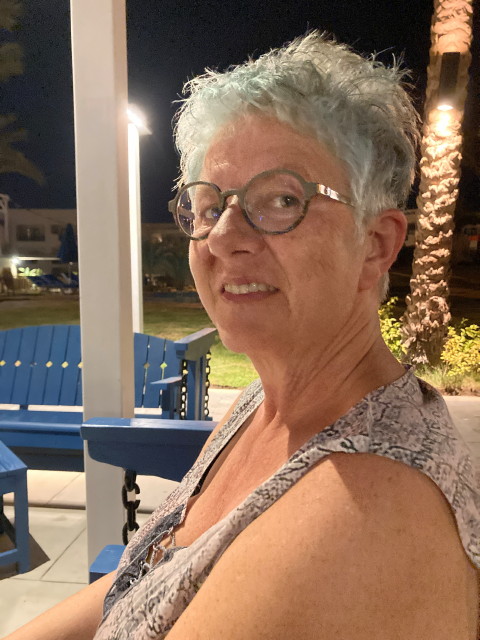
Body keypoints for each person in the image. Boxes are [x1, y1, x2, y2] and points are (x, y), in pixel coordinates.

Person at [7, 31, 479, 640]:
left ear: (376, 245)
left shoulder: (368, 507)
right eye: (209, 206)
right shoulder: (266, 403)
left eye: (282, 199)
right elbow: (140, 581)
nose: (225, 236)